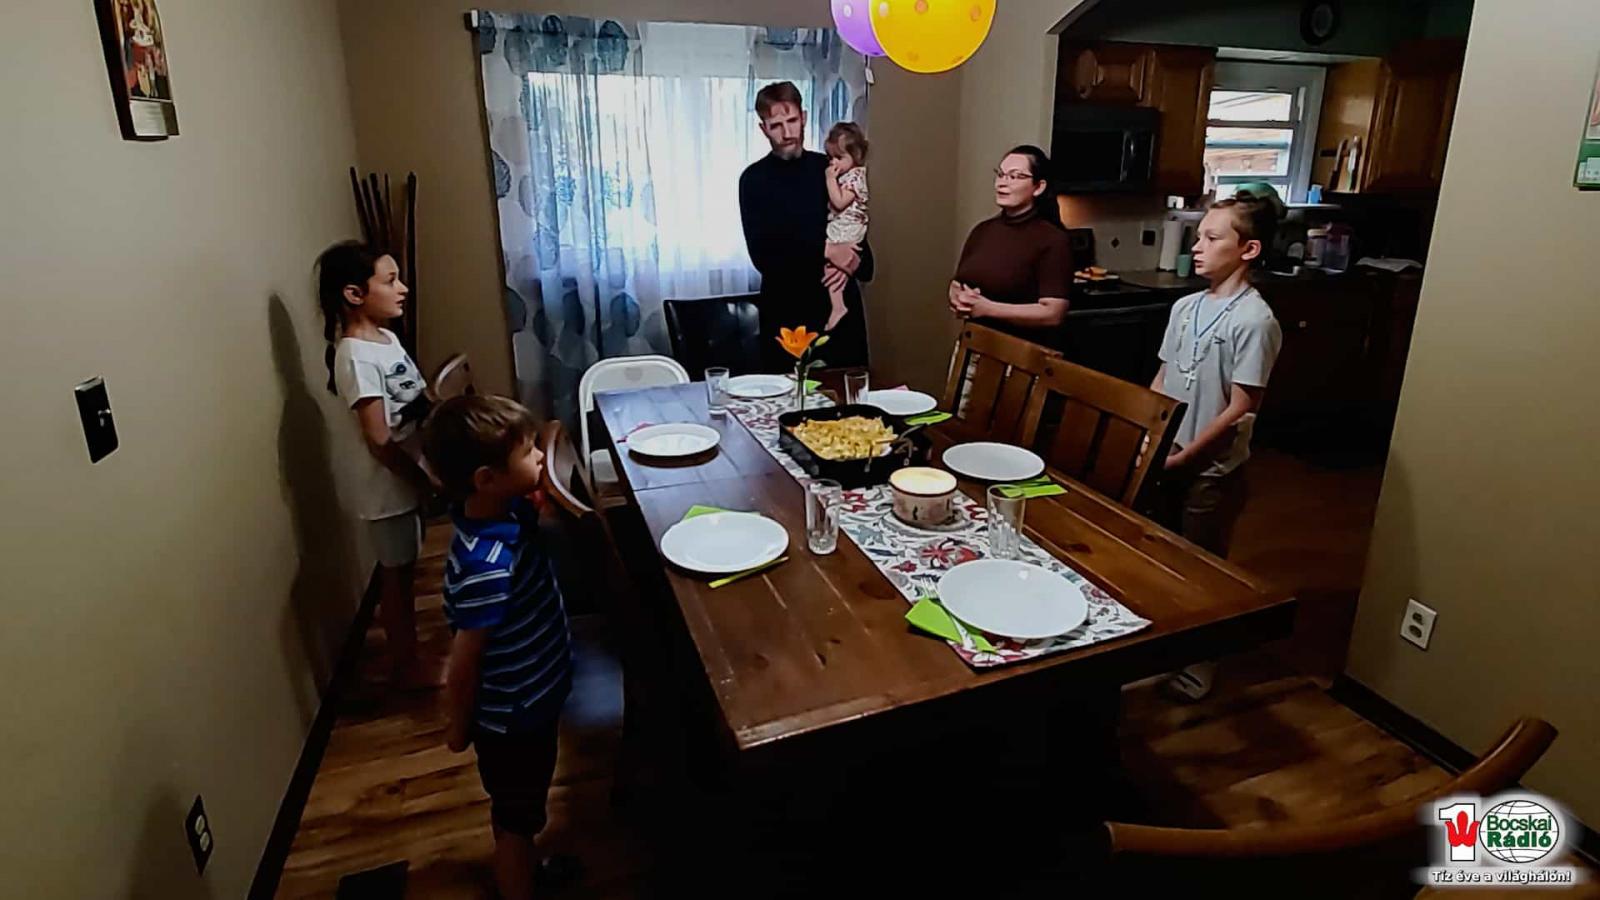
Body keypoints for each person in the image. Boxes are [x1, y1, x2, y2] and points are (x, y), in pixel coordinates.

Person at [422, 395, 574, 900]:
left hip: (533, 701)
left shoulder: (500, 512)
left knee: (525, 808)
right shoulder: (486, 567)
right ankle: (517, 885)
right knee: (516, 819)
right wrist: (458, 726)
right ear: (487, 478)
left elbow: (546, 450)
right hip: (513, 718)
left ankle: (525, 868)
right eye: (528, 452)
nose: (539, 457)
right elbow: (463, 664)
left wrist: (539, 473)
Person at [1149, 195, 1284, 700]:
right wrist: (1150, 434)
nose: (1197, 246)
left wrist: (1187, 457)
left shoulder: (1254, 321)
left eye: (1211, 237)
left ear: (1248, 249)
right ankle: (1163, 646)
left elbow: (1240, 407)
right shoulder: (1185, 308)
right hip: (1168, 453)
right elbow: (1164, 377)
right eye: (1197, 236)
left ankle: (1199, 661)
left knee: (1201, 564)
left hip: (1211, 470)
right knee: (1162, 553)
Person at [316, 241, 440, 689]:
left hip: (409, 473)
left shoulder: (386, 339)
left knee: (409, 563)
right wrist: (422, 480)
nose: (402, 288)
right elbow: (378, 439)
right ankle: (406, 666)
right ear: (354, 294)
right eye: (390, 281)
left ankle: (411, 654)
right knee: (397, 576)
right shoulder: (355, 356)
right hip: (387, 487)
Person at [740, 81, 874, 372]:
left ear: (803, 117)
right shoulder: (754, 181)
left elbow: (863, 250)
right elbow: (764, 257)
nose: (787, 133)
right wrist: (827, 250)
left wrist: (851, 262)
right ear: (763, 129)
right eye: (776, 126)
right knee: (788, 398)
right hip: (787, 317)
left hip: (841, 317)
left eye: (792, 121)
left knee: (850, 397)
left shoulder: (830, 169)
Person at [949, 145, 1074, 337]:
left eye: (1014, 176)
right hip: (976, 342)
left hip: (1022, 348)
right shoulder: (982, 230)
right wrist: (959, 298)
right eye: (1000, 174)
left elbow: (1053, 313)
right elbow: (958, 283)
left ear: (1039, 187)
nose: (1002, 183)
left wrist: (988, 309)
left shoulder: (1053, 239)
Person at [823, 122, 871, 333]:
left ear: (856, 155)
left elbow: (839, 201)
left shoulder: (855, 177)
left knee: (830, 264)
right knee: (831, 267)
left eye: (838, 157)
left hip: (848, 228)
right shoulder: (848, 175)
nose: (833, 163)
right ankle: (837, 306)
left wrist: (830, 180)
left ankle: (838, 307)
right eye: (830, 157)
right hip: (845, 226)